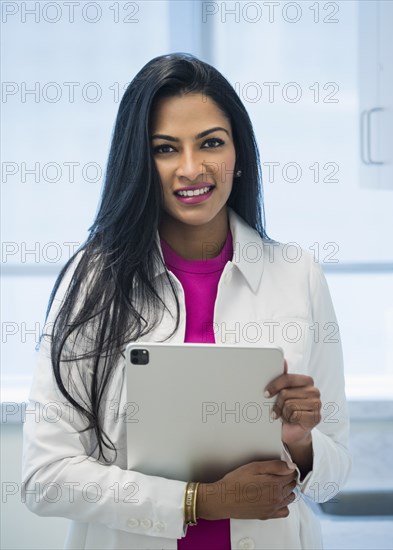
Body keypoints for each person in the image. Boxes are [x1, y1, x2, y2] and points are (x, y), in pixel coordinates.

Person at [22, 53, 351, 550]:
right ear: (139, 161)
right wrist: (202, 502)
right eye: (165, 149)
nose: (191, 168)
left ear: (239, 153)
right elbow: (44, 478)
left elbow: (332, 478)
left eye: (211, 143)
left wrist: (300, 442)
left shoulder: (298, 275)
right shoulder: (93, 281)